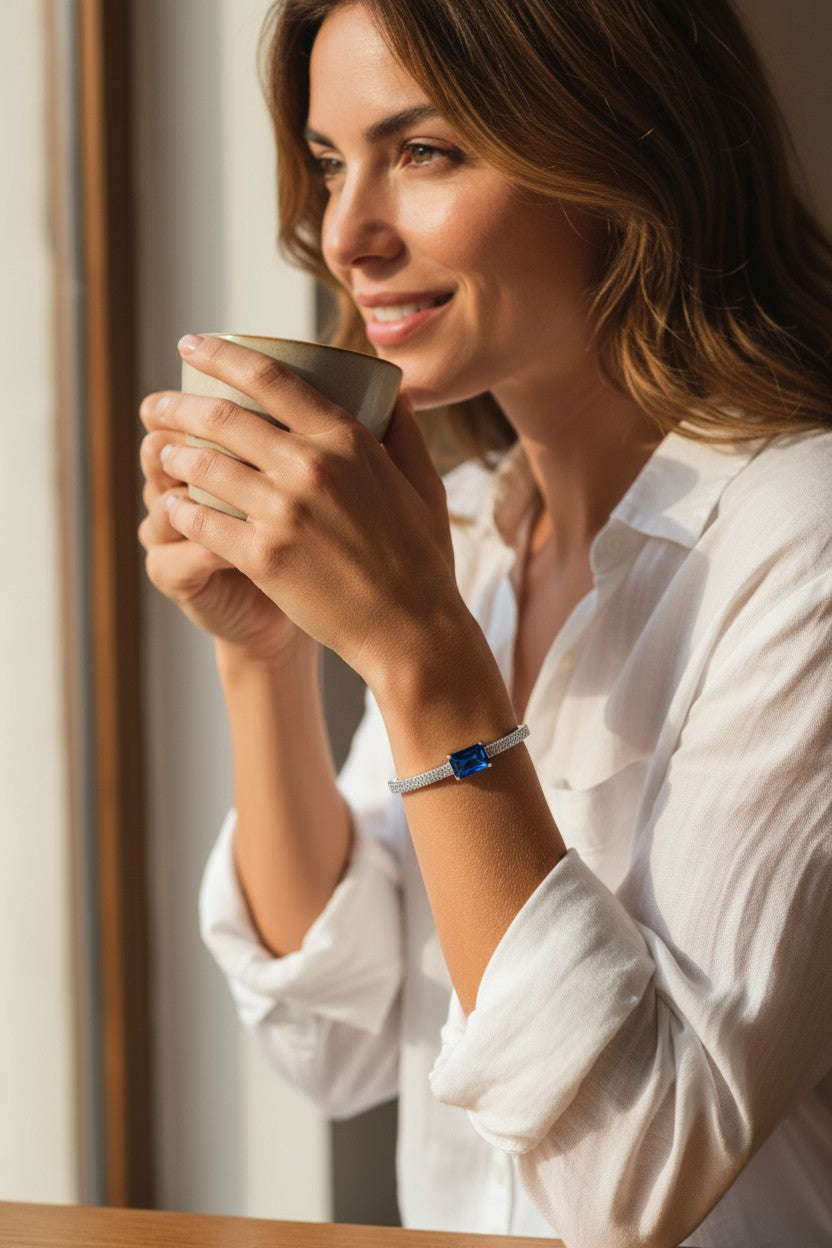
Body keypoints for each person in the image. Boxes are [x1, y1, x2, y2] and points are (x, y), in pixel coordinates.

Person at [138, 0, 832, 1244]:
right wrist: (265, 656)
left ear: (623, 153)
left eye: (423, 151)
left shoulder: (801, 538)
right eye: (330, 162)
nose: (346, 233)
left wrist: (421, 659)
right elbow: (336, 1042)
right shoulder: (462, 532)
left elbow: (639, 1181)